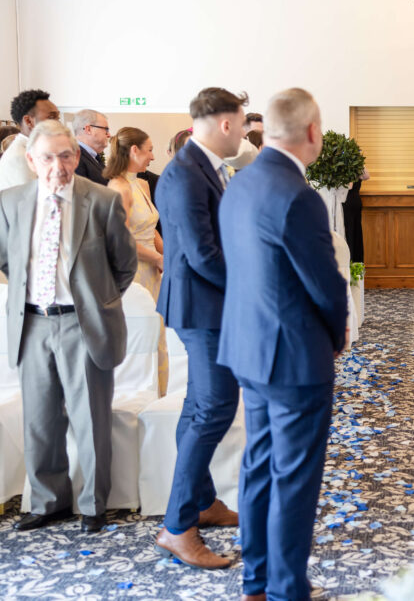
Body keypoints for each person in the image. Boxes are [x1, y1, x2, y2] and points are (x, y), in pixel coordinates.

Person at [218, 88, 349, 601]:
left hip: (248, 348)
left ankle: (257, 581)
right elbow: (327, 284)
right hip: (293, 356)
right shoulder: (299, 195)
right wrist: (336, 336)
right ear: (313, 132)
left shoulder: (239, 184)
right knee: (293, 479)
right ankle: (287, 590)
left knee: (259, 465)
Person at [0, 120, 137, 533]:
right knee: (39, 421)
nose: (56, 166)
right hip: (33, 323)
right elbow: (8, 261)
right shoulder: (10, 202)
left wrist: (97, 300)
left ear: (76, 156)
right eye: (46, 157)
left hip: (83, 323)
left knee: (90, 419)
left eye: (64, 155)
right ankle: (46, 502)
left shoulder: (101, 201)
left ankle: (93, 505)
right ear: (30, 160)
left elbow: (125, 265)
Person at [154, 88, 248, 569]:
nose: (248, 132)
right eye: (244, 123)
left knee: (198, 407)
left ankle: (204, 503)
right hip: (203, 306)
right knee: (214, 408)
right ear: (226, 123)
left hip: (204, 304)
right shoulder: (187, 173)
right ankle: (177, 527)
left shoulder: (203, 167)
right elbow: (202, 255)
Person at [104, 128, 163, 299]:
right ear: (134, 150)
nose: (153, 157)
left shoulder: (142, 184)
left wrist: (166, 255)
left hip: (153, 267)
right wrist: (157, 258)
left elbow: (151, 229)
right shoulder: (119, 188)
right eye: (150, 150)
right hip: (134, 269)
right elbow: (122, 240)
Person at [0, 89, 60, 191]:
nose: (58, 123)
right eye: (51, 117)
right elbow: (30, 203)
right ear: (28, 121)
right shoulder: (20, 157)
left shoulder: (35, 149)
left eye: (57, 118)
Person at [72, 109, 110, 185]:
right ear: (88, 129)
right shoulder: (75, 158)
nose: (109, 135)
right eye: (106, 129)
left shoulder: (94, 157)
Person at [341, 166, 370, 263]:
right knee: (354, 234)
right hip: (355, 202)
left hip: (348, 202)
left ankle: (351, 263)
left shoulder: (348, 165)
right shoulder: (357, 165)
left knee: (350, 235)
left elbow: (349, 186)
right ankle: (356, 263)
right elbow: (366, 176)